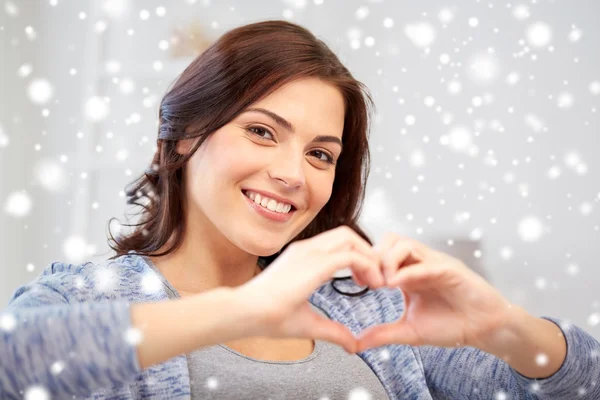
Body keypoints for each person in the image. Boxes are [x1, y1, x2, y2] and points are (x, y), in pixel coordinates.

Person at [1, 19, 599, 400]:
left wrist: (506, 327)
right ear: (183, 137)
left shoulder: (375, 317)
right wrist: (238, 311)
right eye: (262, 131)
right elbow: (13, 364)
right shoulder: (84, 302)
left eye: (320, 153)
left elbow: (580, 384)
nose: (293, 174)